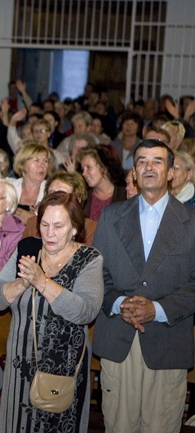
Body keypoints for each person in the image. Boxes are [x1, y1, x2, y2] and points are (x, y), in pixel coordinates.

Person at [93, 139, 195, 433]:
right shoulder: (112, 217)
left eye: (157, 161)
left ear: (172, 172)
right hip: (118, 338)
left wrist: (159, 308)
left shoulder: (190, 221)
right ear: (134, 173)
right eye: (141, 161)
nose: (149, 167)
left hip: (167, 341)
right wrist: (117, 303)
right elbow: (97, 273)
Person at [0, 192, 103, 433]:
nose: (50, 233)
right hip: (20, 370)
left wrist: (42, 282)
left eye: (59, 226)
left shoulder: (88, 259)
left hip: (63, 374)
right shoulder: (28, 248)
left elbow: (86, 311)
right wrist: (22, 283)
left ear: (74, 229)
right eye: (44, 224)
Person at [21, 171, 98, 245]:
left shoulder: (90, 228)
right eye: (51, 193)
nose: (54, 199)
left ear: (77, 200)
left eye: (61, 194)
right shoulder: (33, 223)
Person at [77, 144, 126, 221]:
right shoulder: (84, 198)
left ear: (103, 168)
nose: (84, 173)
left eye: (88, 167)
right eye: (83, 169)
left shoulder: (125, 195)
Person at [6, 143, 52, 224]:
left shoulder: (51, 191)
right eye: (37, 160)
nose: (42, 165)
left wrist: (33, 220)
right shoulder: (8, 186)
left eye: (45, 161)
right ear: (23, 164)